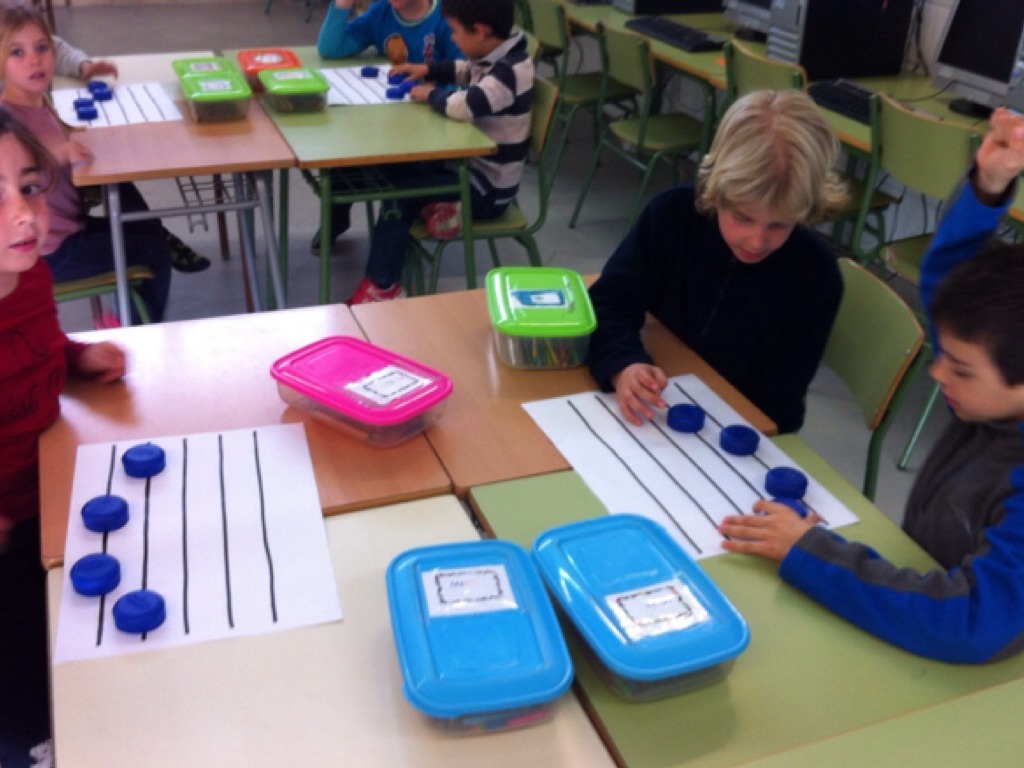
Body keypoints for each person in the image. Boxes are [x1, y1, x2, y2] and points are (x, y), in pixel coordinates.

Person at [719, 107, 1024, 664]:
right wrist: (986, 189)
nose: (936, 373)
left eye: (959, 369)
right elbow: (949, 285)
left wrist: (813, 554)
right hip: (924, 586)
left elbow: (973, 622)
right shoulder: (996, 380)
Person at [586, 90, 848, 435]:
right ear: (716, 188)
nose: (756, 241)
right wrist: (625, 364)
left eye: (779, 225)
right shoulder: (673, 217)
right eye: (742, 218)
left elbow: (780, 403)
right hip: (657, 406)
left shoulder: (815, 276)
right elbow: (610, 301)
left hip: (736, 427)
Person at [0, 107, 125, 768]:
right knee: (20, 685)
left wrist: (75, 358)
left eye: (28, 187)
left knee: (70, 645)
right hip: (8, 528)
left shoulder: (31, 277)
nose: (24, 214)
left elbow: (35, 346)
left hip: (51, 495)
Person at [342, 0, 533, 304]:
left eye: (455, 32)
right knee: (400, 171)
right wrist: (427, 69)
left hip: (487, 190)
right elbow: (464, 70)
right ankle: (442, 210)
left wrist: (431, 92)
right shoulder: (494, 55)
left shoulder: (510, 72)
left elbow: (464, 105)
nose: (453, 38)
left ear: (480, 31)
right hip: (464, 168)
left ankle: (384, 286)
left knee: (399, 195)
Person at [0, 7, 176, 324]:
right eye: (17, 53)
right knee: (154, 252)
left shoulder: (39, 101)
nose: (34, 60)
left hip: (70, 227)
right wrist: (56, 155)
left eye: (42, 48)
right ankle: (133, 331)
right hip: (51, 250)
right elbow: (16, 176)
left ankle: (164, 241)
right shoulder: (10, 122)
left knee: (140, 216)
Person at [313, 0, 464, 255]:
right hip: (394, 122)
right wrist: (342, 5)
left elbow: (465, 79)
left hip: (435, 133)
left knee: (398, 177)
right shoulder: (382, 12)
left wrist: (433, 91)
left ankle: (395, 240)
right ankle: (336, 220)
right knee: (342, 152)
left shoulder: (447, 19)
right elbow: (330, 48)